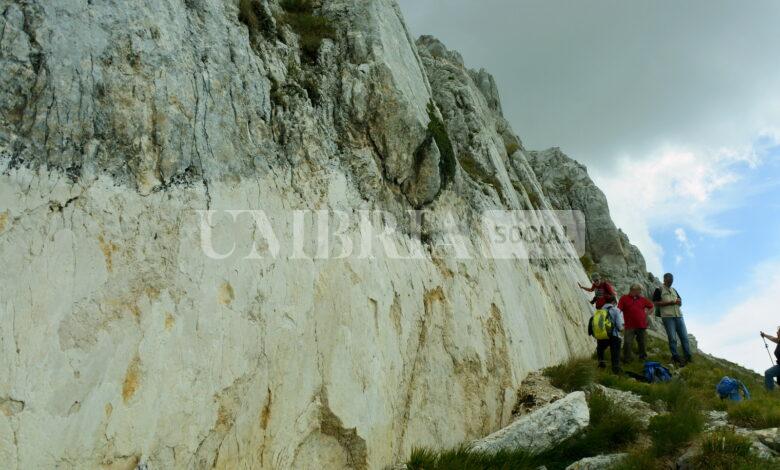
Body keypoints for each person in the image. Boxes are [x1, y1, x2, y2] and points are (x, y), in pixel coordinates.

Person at [653, 273, 692, 366]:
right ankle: (675, 356)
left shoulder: (674, 290)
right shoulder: (659, 290)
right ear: (665, 279)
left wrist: (679, 302)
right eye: (669, 279)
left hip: (679, 316)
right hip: (668, 317)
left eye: (672, 279)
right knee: (672, 338)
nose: (671, 281)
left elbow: (680, 301)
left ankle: (688, 357)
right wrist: (670, 302)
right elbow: (656, 303)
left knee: (685, 338)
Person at [588, 294, 624, 373]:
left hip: (602, 335)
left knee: (600, 349)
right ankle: (616, 369)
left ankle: (601, 365)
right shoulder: (616, 310)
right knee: (615, 353)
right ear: (614, 302)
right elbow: (619, 326)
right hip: (614, 335)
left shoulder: (599, 311)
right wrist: (622, 329)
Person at [618, 284, 654, 363]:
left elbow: (651, 306)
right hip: (629, 325)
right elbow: (619, 309)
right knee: (627, 342)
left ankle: (643, 358)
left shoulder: (642, 299)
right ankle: (627, 359)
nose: (640, 292)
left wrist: (647, 314)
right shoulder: (624, 298)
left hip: (641, 325)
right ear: (633, 290)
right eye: (639, 290)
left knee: (642, 343)